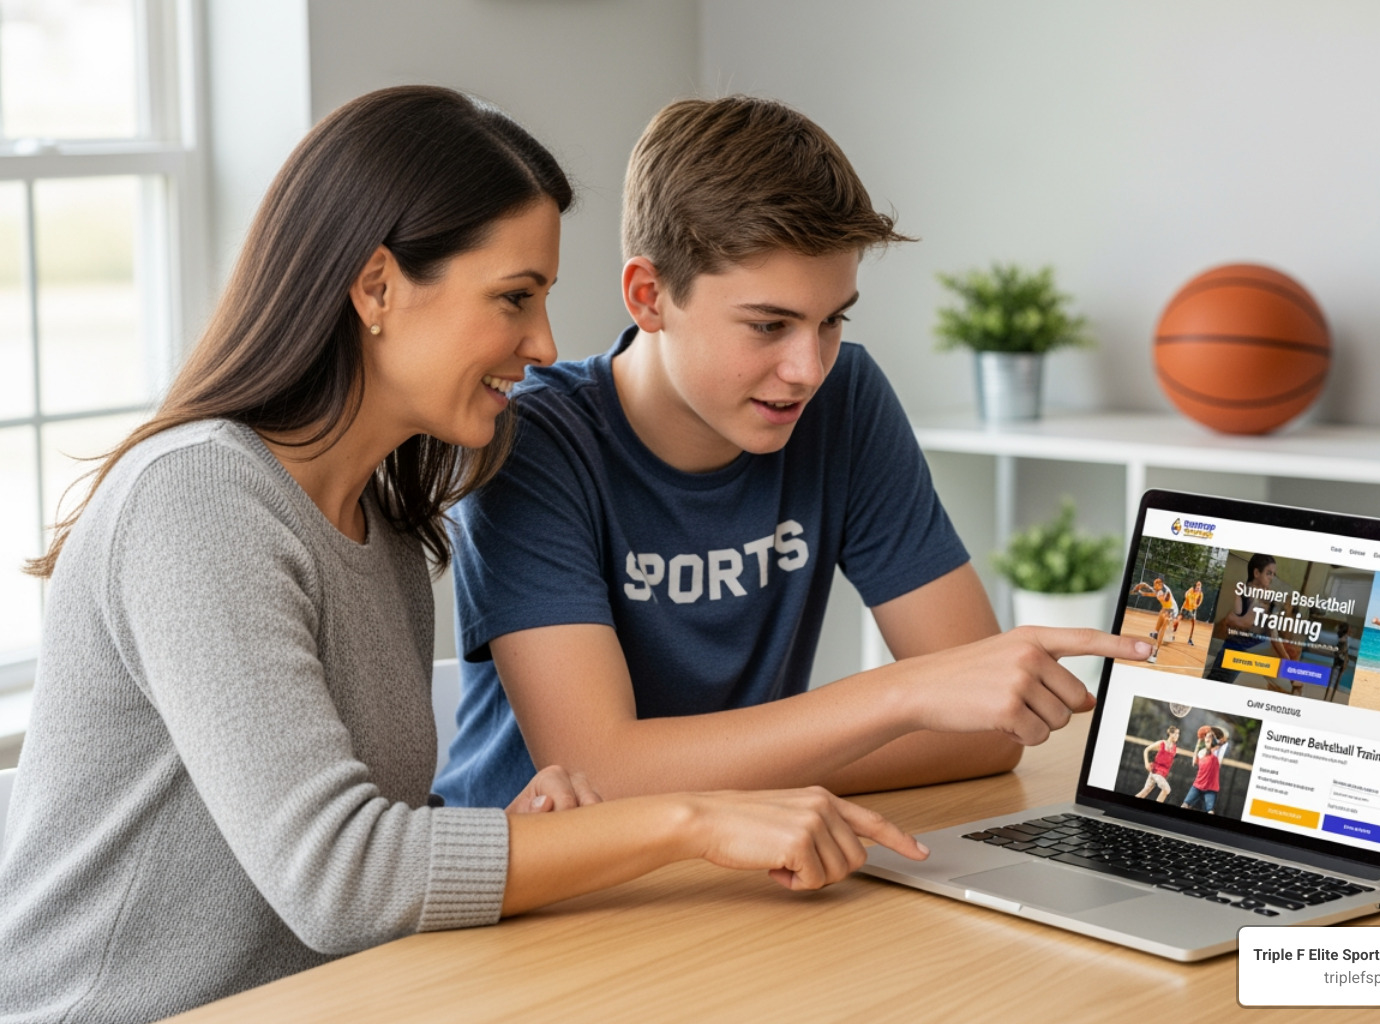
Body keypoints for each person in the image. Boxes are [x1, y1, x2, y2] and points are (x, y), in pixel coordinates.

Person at [0, 87, 927, 1024]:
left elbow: (375, 851)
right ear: (377, 288)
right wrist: (691, 817)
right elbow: (340, 878)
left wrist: (513, 835)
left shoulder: (384, 530)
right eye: (514, 298)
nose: (545, 344)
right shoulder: (199, 498)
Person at [438, 95, 1151, 808]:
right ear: (649, 296)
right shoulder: (531, 439)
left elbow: (992, 731)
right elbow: (600, 777)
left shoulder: (845, 400)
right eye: (768, 325)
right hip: (536, 867)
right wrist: (904, 695)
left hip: (748, 847)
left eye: (832, 320)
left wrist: (698, 773)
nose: (808, 370)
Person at [1205, 553, 1294, 683]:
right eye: (1269, 573)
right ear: (1256, 573)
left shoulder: (1268, 599)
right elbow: (1240, 622)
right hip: (1234, 651)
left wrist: (1288, 662)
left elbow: (1273, 634)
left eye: (1274, 574)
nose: (1272, 578)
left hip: (1247, 653)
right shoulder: (1243, 592)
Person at [1128, 577, 1178, 664]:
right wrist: (1143, 593)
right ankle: (1157, 635)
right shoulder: (1159, 589)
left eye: (1156, 584)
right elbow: (1155, 594)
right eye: (1154, 584)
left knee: (1162, 628)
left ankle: (1155, 654)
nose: (1154, 585)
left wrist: (1145, 587)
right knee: (1156, 630)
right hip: (1165, 608)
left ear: (1161, 584)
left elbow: (1161, 597)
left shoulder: (1165, 592)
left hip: (1172, 610)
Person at [1180, 727, 1227, 814]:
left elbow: (1222, 742)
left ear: (1214, 740)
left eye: (1210, 737)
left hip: (1211, 788)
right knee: (1184, 805)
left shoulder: (1217, 753)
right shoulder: (1201, 752)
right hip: (1197, 786)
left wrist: (1215, 733)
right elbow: (1194, 762)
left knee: (1210, 811)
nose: (1207, 738)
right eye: (1206, 737)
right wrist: (1199, 741)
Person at [1135, 725, 1180, 802]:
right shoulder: (1162, 743)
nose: (1177, 735)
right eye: (1175, 733)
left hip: (1161, 774)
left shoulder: (1174, 748)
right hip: (1156, 771)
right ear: (1170, 733)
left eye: (1178, 734)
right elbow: (1146, 750)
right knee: (1167, 789)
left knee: (1144, 792)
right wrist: (1146, 763)